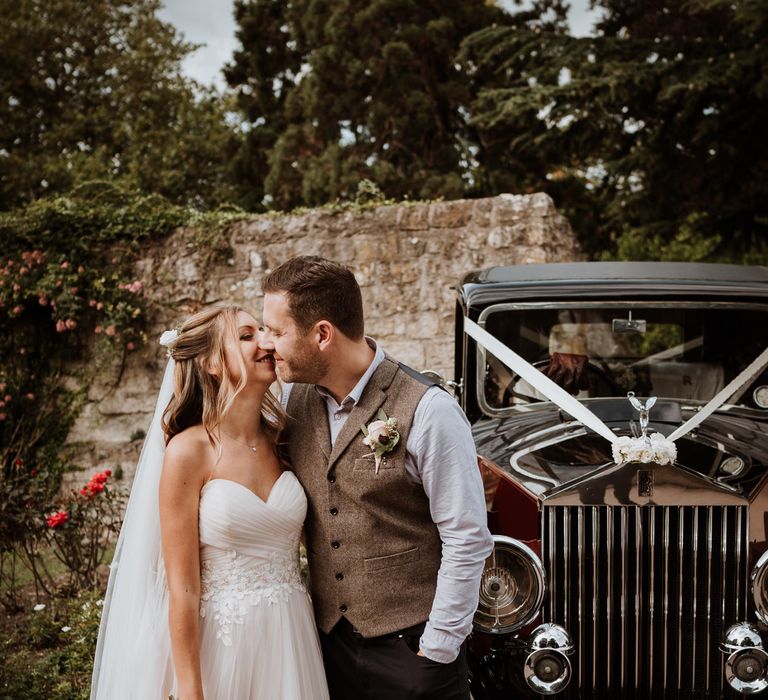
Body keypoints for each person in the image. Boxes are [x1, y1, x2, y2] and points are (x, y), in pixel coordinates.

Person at [261, 256, 494, 700]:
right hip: (327, 649)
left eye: (277, 331)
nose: (268, 343)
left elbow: (466, 537)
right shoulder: (292, 397)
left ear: (322, 334)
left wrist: (438, 651)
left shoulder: (430, 411)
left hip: (413, 652)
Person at [90, 305, 329, 699]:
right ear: (212, 363)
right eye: (246, 336)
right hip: (223, 646)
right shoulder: (188, 452)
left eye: (263, 332)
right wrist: (190, 689)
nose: (266, 343)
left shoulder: (284, 440)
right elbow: (181, 589)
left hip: (291, 635)